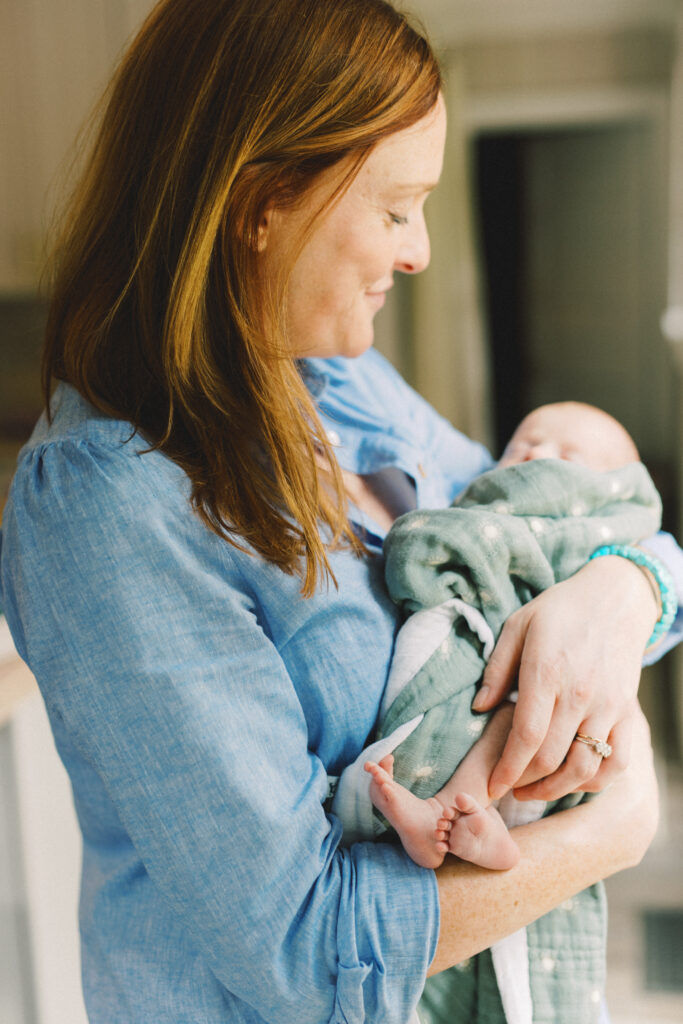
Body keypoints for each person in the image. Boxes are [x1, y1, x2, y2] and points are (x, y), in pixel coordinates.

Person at [0, 3, 679, 1023]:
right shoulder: (108, 502)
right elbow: (306, 954)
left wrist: (622, 591)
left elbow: (565, 516)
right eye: (396, 207)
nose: (417, 253)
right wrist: (608, 832)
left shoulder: (337, 385)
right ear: (261, 202)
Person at [363, 401, 662, 873]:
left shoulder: (595, 529)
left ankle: (459, 808)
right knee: (502, 702)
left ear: (604, 488)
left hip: (539, 680)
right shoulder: (480, 496)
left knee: (522, 709)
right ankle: (459, 818)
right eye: (522, 445)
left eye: (566, 455)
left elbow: (652, 542)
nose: (536, 454)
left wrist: (632, 581)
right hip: (493, 653)